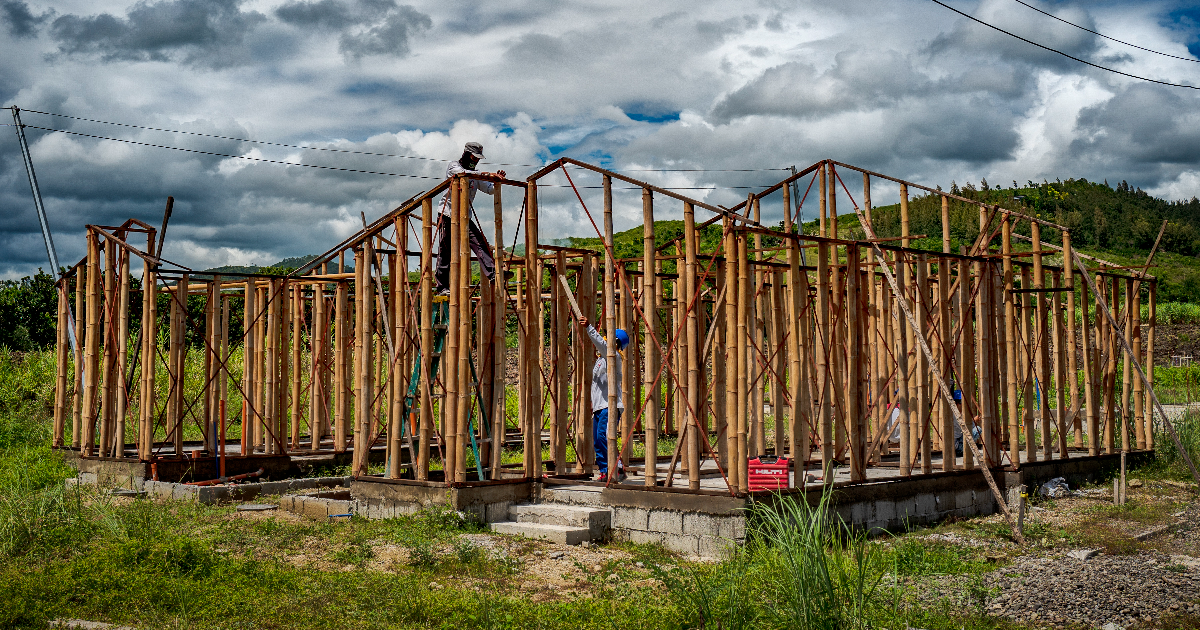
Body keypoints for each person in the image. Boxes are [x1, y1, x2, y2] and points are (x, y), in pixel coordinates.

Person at [434, 142, 506, 295]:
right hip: (448, 214)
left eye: (478, 158)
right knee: (445, 249)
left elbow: (489, 189)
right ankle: (442, 287)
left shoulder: (476, 173)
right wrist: (488, 174)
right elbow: (464, 175)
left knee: (480, 243)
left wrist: (497, 180)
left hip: (464, 216)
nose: (476, 161)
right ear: (466, 154)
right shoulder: (454, 166)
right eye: (474, 157)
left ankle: (493, 274)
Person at [578, 316, 629, 483]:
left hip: (610, 405)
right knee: (597, 441)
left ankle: (617, 468)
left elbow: (600, 343)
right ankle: (604, 471)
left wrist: (589, 328)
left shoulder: (614, 356)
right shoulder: (601, 360)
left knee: (604, 437)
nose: (604, 340)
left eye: (607, 339)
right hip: (599, 407)